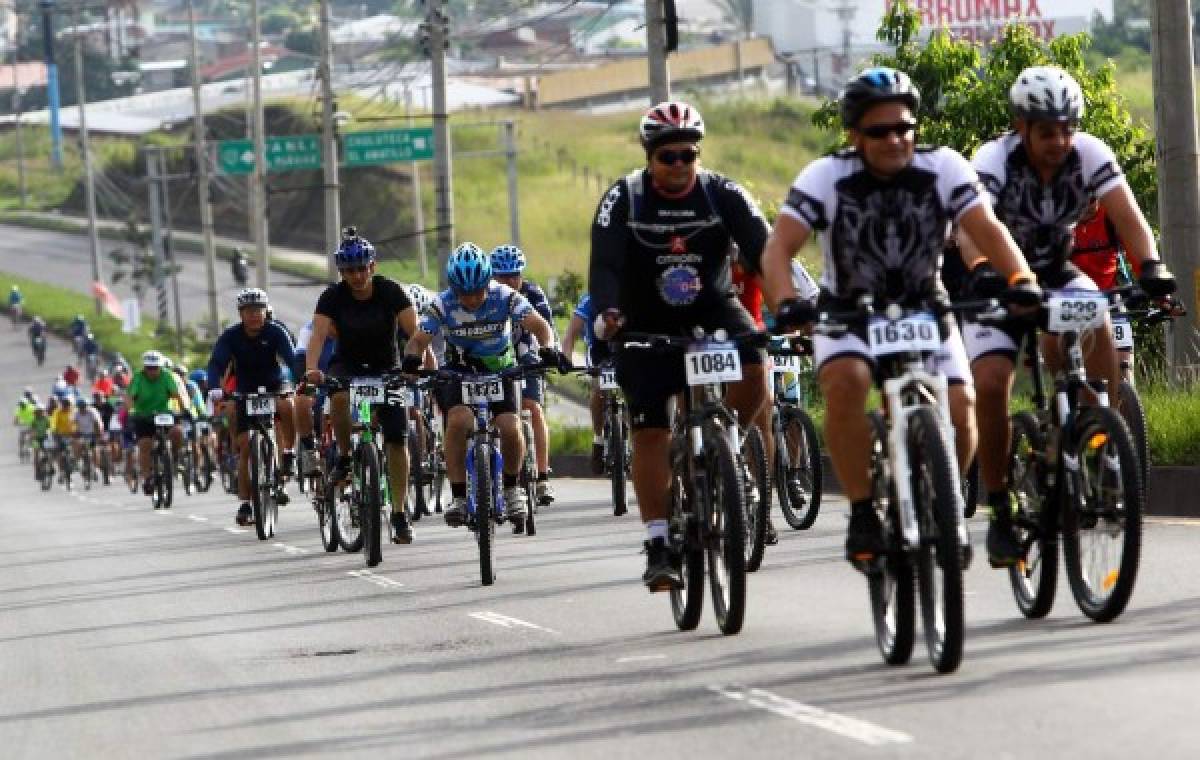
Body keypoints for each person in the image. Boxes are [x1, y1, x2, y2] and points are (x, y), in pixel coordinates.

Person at [760, 67, 1039, 564]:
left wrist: (1021, 280)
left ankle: (945, 499)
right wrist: (786, 304)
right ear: (853, 136)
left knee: (961, 404)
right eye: (879, 131)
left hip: (923, 303)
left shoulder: (944, 167)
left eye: (904, 128)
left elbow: (988, 230)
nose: (895, 139)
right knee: (846, 381)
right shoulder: (826, 176)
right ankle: (864, 512)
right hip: (849, 309)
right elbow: (779, 249)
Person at [958, 65, 1176, 566]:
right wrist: (984, 268)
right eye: (1046, 131)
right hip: (994, 275)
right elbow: (971, 227)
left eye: (1066, 129)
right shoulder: (992, 161)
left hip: (1056, 271)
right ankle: (999, 508)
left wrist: (1152, 267)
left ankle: (1097, 438)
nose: (1059, 141)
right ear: (1021, 127)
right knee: (990, 381)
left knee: (1098, 319)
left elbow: (1129, 215)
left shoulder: (1091, 154)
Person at [588, 100, 774, 590]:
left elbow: (763, 249)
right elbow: (604, 265)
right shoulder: (623, 198)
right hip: (642, 319)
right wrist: (608, 313)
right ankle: (657, 542)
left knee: (756, 361)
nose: (677, 165)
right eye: (667, 156)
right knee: (649, 431)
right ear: (649, 157)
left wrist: (793, 304)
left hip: (711, 309)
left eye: (687, 155)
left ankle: (726, 449)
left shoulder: (722, 193)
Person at [402, 243, 564, 529]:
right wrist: (413, 359)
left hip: (500, 368)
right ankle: (459, 496)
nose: (473, 299)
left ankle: (512, 488)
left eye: (478, 290)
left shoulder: (505, 296)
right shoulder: (442, 304)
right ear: (453, 288)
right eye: (465, 293)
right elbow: (418, 339)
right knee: (458, 421)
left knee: (510, 425)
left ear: (488, 281)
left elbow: (539, 325)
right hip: (459, 371)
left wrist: (548, 347)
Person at [303, 227, 420, 544]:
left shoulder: (391, 291)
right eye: (349, 271)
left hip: (387, 366)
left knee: (397, 438)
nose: (356, 276)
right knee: (338, 398)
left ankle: (398, 512)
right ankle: (343, 455)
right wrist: (312, 368)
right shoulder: (332, 296)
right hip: (348, 364)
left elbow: (415, 332)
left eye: (361, 268)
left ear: (373, 266)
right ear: (341, 272)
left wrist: (422, 365)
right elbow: (317, 336)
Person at [206, 288, 298, 526]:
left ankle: (288, 453)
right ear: (241, 314)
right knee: (246, 446)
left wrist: (302, 380)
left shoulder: (276, 331)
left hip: (274, 386)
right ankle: (245, 502)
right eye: (248, 311)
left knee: (287, 406)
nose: (254, 316)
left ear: (265, 311)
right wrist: (215, 387)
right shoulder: (231, 336)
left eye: (258, 310)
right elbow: (216, 363)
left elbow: (292, 358)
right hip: (245, 392)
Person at [490, 244, 558, 506]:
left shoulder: (532, 293)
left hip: (526, 350)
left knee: (534, 408)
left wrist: (550, 352)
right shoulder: (489, 296)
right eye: (503, 276)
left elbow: (547, 328)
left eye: (515, 275)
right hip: (496, 356)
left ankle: (542, 477)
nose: (510, 281)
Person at [125, 350, 187, 497]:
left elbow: (177, 395)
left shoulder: (167, 376)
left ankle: (175, 458)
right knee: (145, 444)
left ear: (160, 366)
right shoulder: (138, 377)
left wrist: (184, 409)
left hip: (164, 413)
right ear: (144, 367)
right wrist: (130, 411)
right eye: (149, 368)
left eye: (155, 367)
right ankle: (147, 478)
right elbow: (129, 397)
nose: (152, 371)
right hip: (144, 416)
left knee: (177, 432)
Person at [561, 293, 608, 475]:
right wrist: (566, 358)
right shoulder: (591, 299)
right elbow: (571, 334)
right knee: (599, 388)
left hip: (624, 348)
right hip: (599, 350)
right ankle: (598, 438)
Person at [71, 398, 105, 471]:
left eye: (84, 406)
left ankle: (96, 467)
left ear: (87, 406)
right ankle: (78, 461)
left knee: (94, 448)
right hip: (83, 433)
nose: (82, 408)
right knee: (77, 444)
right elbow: (73, 424)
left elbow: (97, 424)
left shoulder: (92, 412)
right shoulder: (76, 413)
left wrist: (98, 435)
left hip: (94, 432)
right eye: (80, 407)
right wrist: (74, 432)